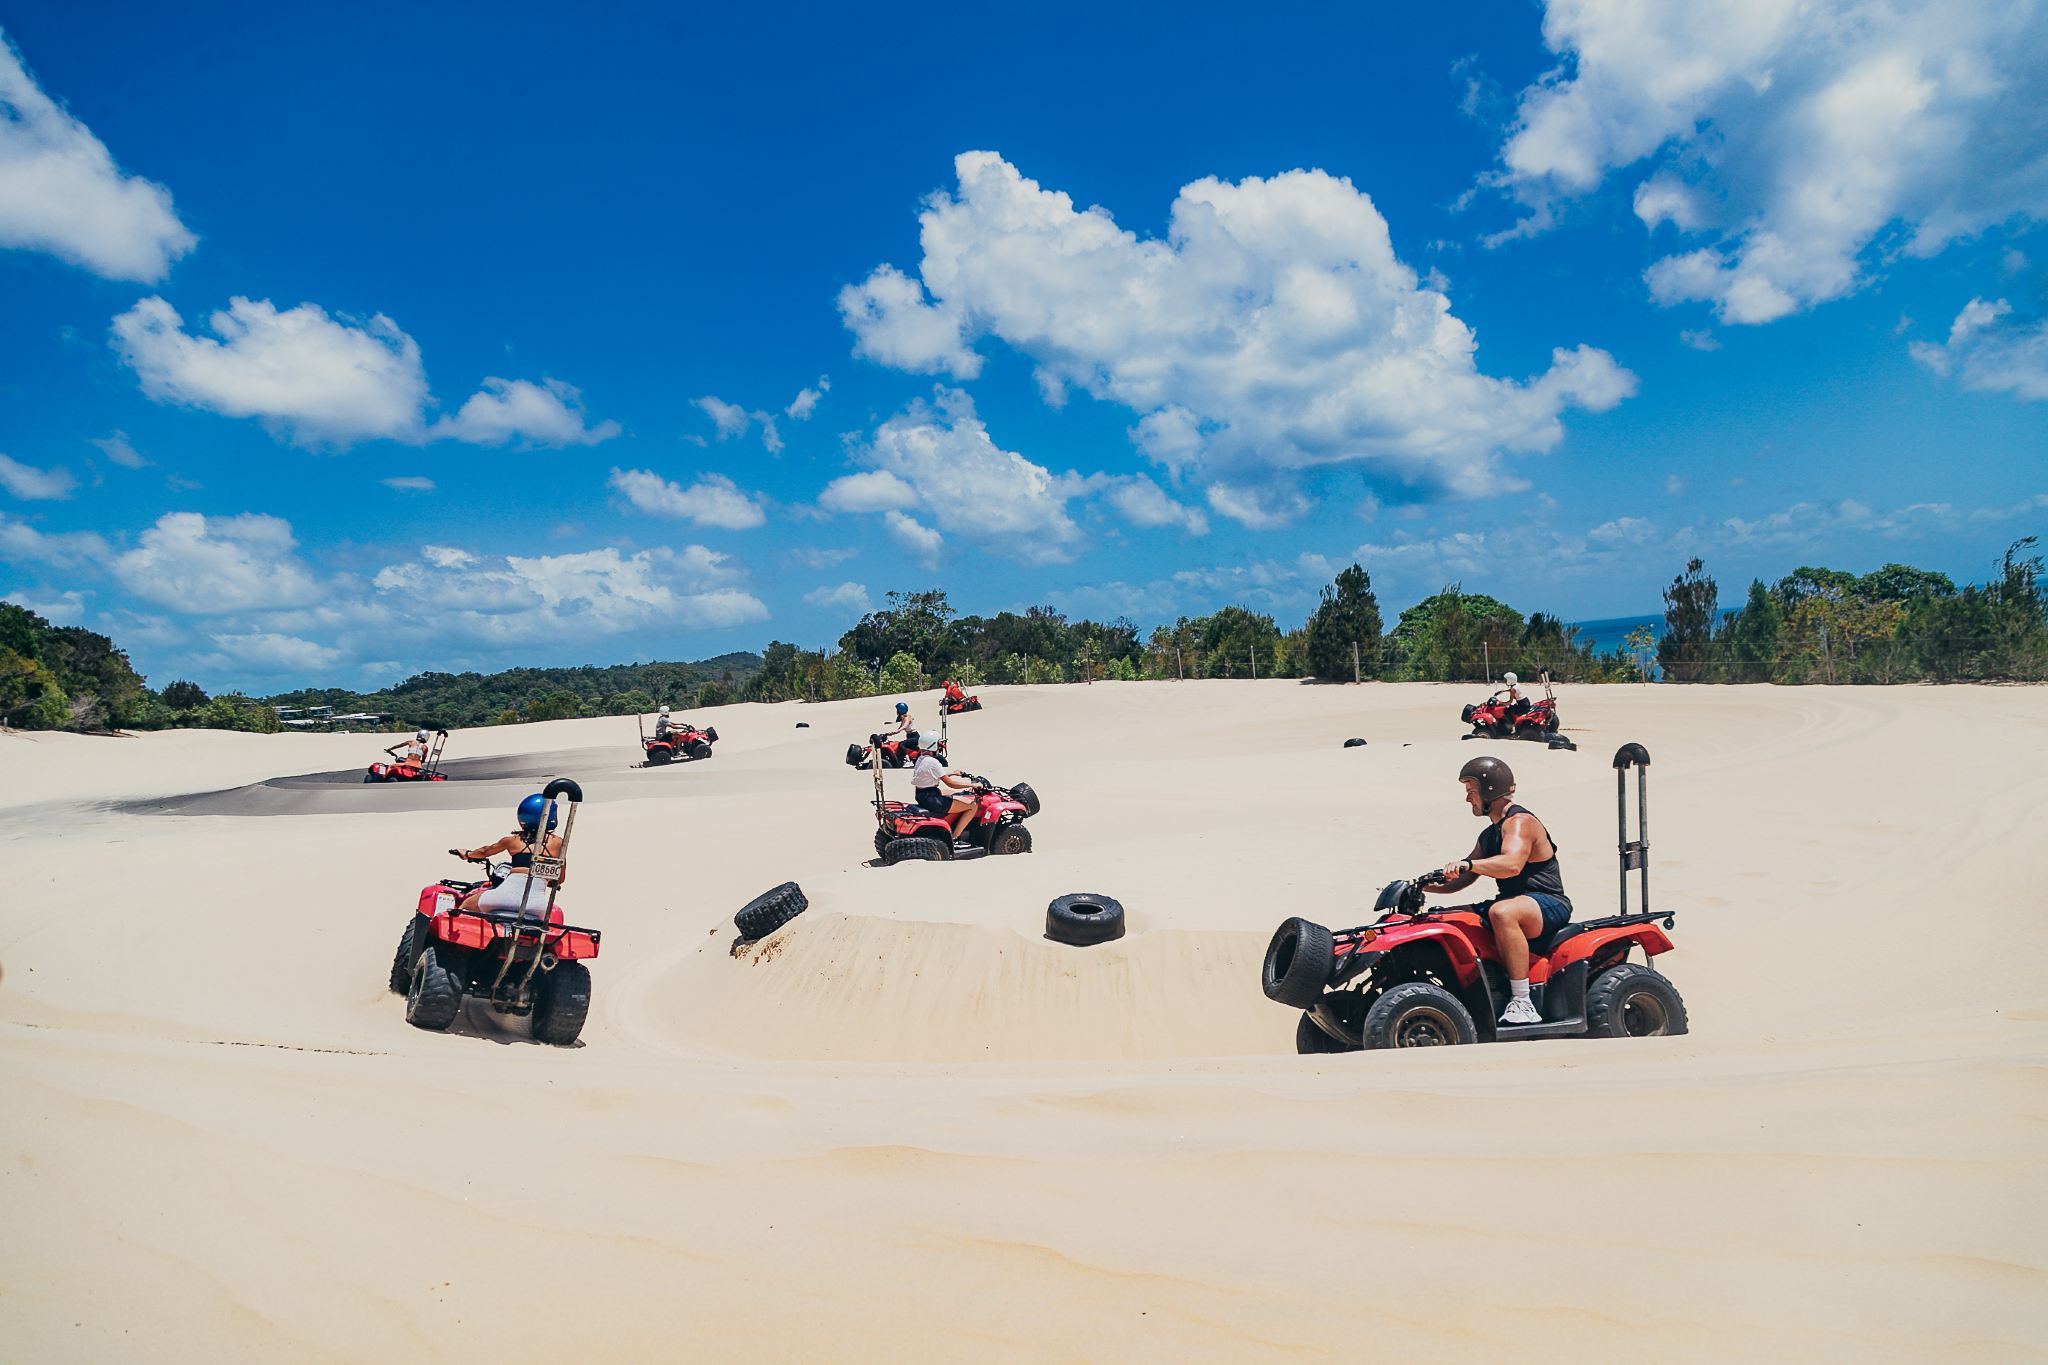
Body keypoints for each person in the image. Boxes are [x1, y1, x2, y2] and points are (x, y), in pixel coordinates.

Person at [1425, 756, 1571, 1025]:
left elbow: (1512, 864)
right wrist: (1424, 887)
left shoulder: (1520, 822)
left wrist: (1469, 863)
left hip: (1547, 903)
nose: (1468, 799)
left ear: (1488, 790)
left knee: (1502, 913)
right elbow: (1466, 877)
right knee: (1449, 919)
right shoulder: (1489, 834)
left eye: (1471, 791)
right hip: (1515, 901)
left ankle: (1522, 1000)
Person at [457, 793, 568, 916]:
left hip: (502, 898)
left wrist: (467, 854)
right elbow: (560, 878)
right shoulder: (558, 843)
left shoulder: (512, 841)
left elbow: (484, 851)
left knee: (464, 906)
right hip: (537, 905)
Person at [909, 740, 980, 841]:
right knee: (972, 806)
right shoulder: (933, 762)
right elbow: (951, 784)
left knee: (952, 793)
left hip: (922, 795)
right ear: (933, 747)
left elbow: (931, 775)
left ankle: (952, 822)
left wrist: (952, 773)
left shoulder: (921, 759)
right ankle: (955, 837)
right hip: (933, 800)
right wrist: (973, 785)